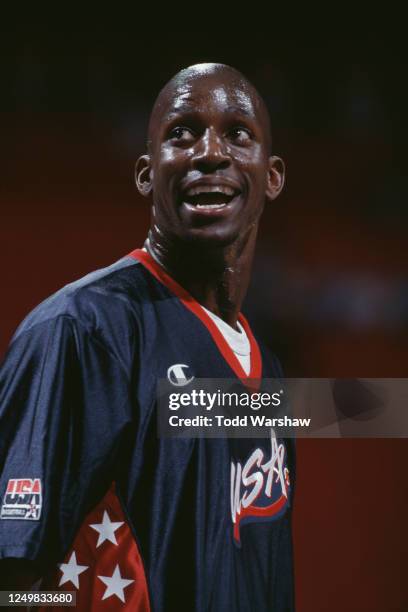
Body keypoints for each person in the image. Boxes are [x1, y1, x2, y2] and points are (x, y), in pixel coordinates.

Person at [0, 63, 295, 611]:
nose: (210, 151)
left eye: (238, 133)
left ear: (272, 175)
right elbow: (11, 577)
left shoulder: (268, 371)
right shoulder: (81, 332)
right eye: (181, 133)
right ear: (145, 173)